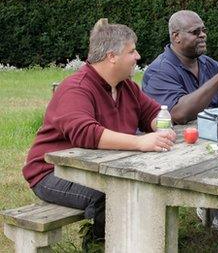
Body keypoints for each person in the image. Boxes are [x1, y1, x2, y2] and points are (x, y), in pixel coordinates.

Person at [23, 18, 176, 249]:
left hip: (97, 167)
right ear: (112, 56)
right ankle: (99, 245)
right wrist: (141, 142)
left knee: (141, 187)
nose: (138, 57)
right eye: (132, 51)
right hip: (51, 173)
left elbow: (153, 113)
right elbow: (87, 133)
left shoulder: (128, 87)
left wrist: (161, 127)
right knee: (112, 195)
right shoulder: (76, 88)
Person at [142, 10, 218, 231]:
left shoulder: (208, 64)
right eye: (195, 32)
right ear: (176, 37)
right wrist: (217, 79)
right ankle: (206, 203)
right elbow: (178, 113)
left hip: (211, 139)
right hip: (175, 146)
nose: (203, 35)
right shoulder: (160, 70)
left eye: (204, 30)